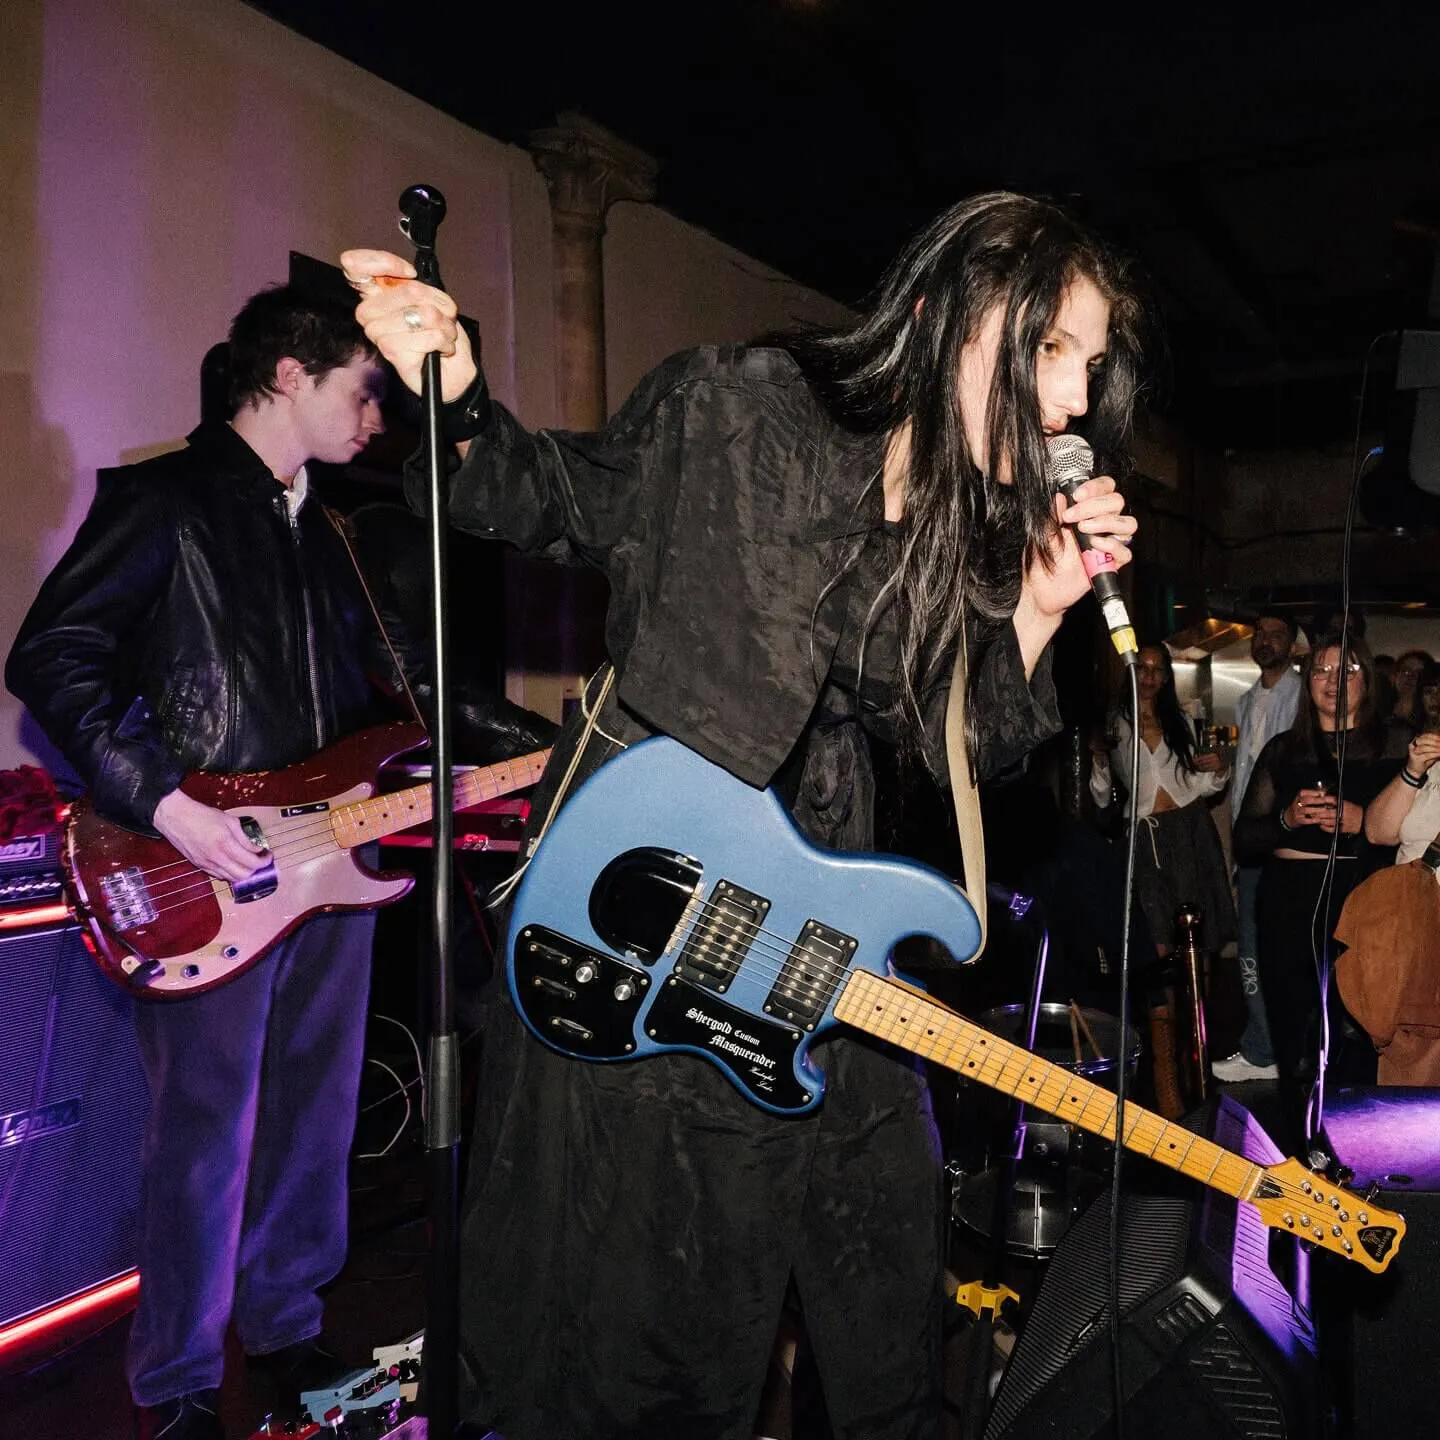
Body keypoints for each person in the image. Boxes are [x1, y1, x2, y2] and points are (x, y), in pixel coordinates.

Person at [342, 189, 1147, 1440]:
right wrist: (444, 395)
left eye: (1090, 367)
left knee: (885, 1271)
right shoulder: (739, 403)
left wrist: (1039, 602)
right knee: (654, 1334)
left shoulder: (947, 520)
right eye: (1050, 349)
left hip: (824, 923)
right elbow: (543, 488)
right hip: (649, 920)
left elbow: (960, 740)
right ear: (940, 316)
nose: (1075, 401)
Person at [6, 287, 405, 1440]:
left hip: (332, 864)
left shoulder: (328, 531)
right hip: (209, 870)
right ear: (288, 373)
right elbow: (51, 655)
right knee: (201, 1134)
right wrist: (167, 804)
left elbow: (378, 695)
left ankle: (285, 1323)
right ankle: (177, 1380)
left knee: (316, 1118)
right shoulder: (165, 501)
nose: (375, 418)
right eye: (360, 389)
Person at [1232, 636, 1406, 1118]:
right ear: (1307, 683)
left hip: (1363, 896)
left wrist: (1363, 821)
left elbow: (1418, 828)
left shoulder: (1394, 743)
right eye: (1322, 671)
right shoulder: (1284, 751)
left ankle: (1360, 1141)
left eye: (1346, 669)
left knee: (1359, 1023)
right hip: (1290, 899)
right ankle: (1298, 1140)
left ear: (1366, 680)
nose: (1334, 681)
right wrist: (1286, 819)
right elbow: (1245, 838)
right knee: (1294, 1028)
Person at [1089, 642, 1234, 958]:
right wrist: (1099, 757)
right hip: (1143, 834)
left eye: (1157, 669)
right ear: (1131, 670)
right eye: (1142, 667)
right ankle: (1165, 1008)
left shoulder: (1179, 720)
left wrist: (1220, 769)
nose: (1149, 676)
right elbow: (1101, 796)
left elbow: (1201, 783)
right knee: (1157, 934)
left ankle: (1199, 1007)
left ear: (1166, 677)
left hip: (1188, 825)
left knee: (1198, 930)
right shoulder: (1115, 724)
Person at [1212, 613, 1301, 1083]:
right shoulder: (1246, 700)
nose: (1266, 641)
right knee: (1250, 944)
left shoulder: (1303, 696)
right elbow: (1246, 777)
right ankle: (1263, 1047)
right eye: (1261, 635)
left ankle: (1276, 1049)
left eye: (1277, 634)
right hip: (1253, 841)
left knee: (1282, 946)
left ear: (1293, 643)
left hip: (1289, 840)